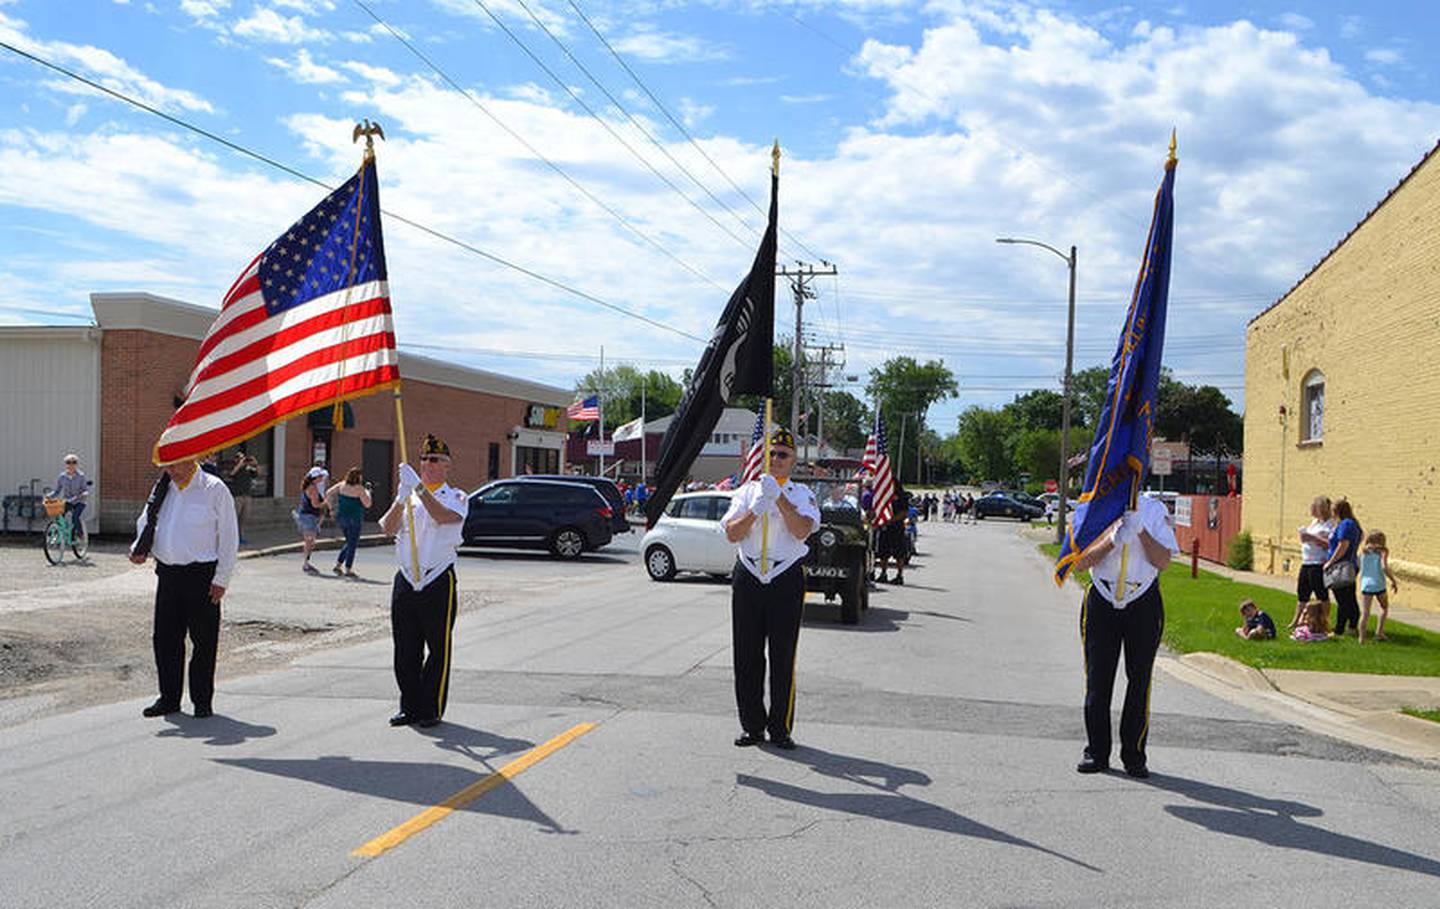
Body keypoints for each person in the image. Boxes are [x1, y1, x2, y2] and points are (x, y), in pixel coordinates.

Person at [720, 427, 820, 750]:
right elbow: (732, 534)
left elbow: (803, 530)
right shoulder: (748, 492)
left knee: (782, 655)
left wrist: (781, 501)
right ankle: (752, 726)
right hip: (749, 575)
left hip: (785, 577)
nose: (776, 459)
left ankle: (780, 728)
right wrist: (758, 507)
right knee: (746, 655)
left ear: (793, 461)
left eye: (783, 455)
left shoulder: (802, 493)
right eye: (772, 454)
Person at [1073, 494, 1177, 778]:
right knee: (1098, 680)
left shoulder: (1154, 509)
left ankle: (1134, 755)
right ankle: (1096, 751)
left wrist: (1141, 530)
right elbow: (1080, 562)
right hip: (1102, 598)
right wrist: (1113, 539)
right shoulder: (1094, 506)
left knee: (1139, 680)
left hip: (1143, 600)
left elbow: (1164, 560)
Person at [128, 458, 238, 719]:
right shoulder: (163, 488)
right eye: (167, 465)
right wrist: (138, 547)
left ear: (191, 460)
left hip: (202, 576)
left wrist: (222, 579)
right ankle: (169, 698)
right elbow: (146, 521)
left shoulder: (214, 489)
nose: (171, 470)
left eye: (176, 465)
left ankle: (201, 700)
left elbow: (229, 537)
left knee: (203, 641)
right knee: (165, 639)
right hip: (168, 574)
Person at [381, 434, 468, 728]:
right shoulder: (409, 495)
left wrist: (418, 487)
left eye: (434, 460)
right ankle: (409, 706)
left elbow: (445, 518)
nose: (427, 464)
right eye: (423, 459)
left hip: (438, 577)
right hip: (407, 577)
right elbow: (386, 528)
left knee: (438, 647)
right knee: (406, 648)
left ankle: (431, 708)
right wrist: (402, 497)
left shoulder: (455, 496)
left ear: (447, 466)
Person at [1291, 496, 1335, 629]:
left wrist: (1312, 537)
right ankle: (1296, 620)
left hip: (1318, 562)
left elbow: (1330, 545)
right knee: (1302, 593)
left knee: (1321, 594)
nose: (1312, 510)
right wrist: (1304, 537)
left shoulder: (1330, 524)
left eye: (1315, 507)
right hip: (1307, 561)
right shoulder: (1314, 522)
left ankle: (1324, 622)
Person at [1322, 498, 1363, 636]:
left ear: (1337, 510)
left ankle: (1340, 629)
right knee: (1349, 597)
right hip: (1347, 564)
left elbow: (1343, 545)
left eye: (1333, 509)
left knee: (1343, 598)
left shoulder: (1346, 524)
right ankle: (1352, 626)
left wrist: (1331, 562)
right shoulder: (1351, 523)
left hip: (1342, 566)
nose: (1331, 512)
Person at [325, 468, 373, 577]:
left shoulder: (341, 485)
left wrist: (331, 508)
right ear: (358, 477)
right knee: (352, 543)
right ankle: (348, 568)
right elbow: (367, 504)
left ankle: (338, 565)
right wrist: (368, 493)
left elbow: (328, 493)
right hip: (355, 518)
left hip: (342, 517)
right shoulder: (360, 489)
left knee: (349, 542)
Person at [1358, 530, 1399, 643]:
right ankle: (1379, 632)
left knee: (1365, 613)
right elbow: (1384, 567)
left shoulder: (1363, 551)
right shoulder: (1382, 552)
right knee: (1384, 608)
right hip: (1379, 584)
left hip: (1366, 585)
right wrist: (1393, 580)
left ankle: (1361, 638)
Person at [296, 469, 327, 574]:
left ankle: (306, 562)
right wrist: (326, 502)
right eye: (320, 476)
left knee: (310, 541)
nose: (322, 478)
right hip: (309, 517)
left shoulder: (309, 486)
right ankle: (305, 564)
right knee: (310, 541)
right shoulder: (313, 488)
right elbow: (315, 505)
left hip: (306, 515)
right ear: (315, 478)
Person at [54, 453, 90, 542]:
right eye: (68, 462)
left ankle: (80, 535)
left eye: (74, 462)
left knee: (75, 517)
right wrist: (49, 496)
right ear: (65, 464)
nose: (71, 465)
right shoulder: (62, 477)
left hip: (79, 501)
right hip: (67, 501)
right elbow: (57, 491)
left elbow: (85, 489)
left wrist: (84, 494)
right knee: (58, 515)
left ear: (76, 464)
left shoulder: (81, 476)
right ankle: (58, 533)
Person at [227, 454, 259, 544]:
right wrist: (239, 464)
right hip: (237, 496)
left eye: (243, 458)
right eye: (240, 458)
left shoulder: (248, 469)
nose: (242, 460)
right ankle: (232, 538)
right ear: (236, 459)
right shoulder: (234, 467)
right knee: (234, 518)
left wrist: (255, 464)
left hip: (247, 496)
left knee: (244, 518)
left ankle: (241, 537)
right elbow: (231, 474)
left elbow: (256, 474)